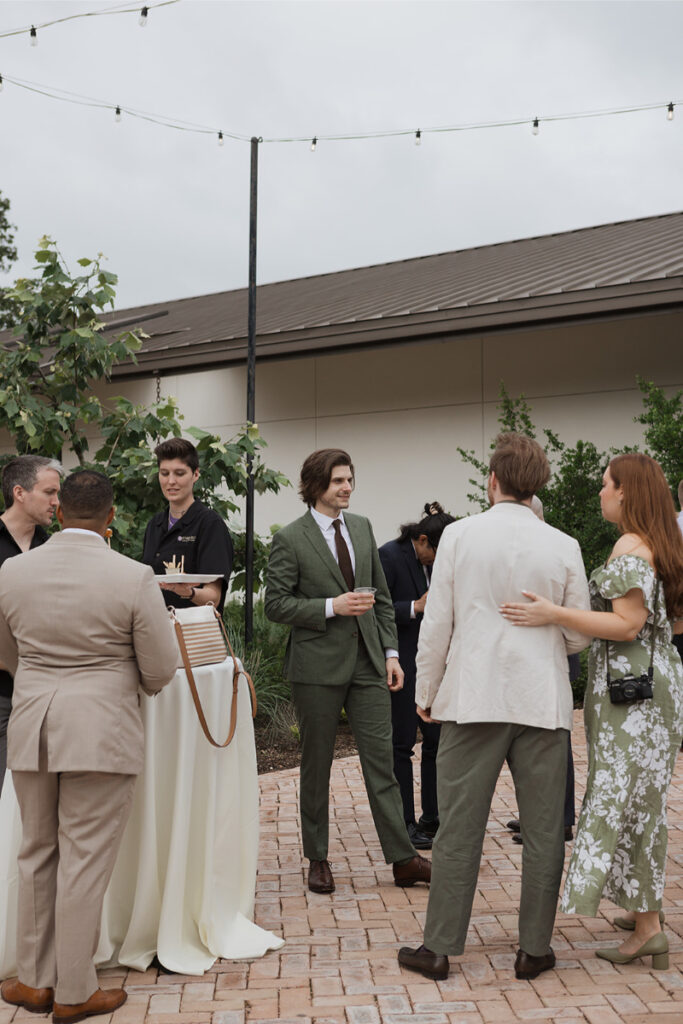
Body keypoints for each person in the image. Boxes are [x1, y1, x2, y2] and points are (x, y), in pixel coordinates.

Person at [398, 432, 590, 983]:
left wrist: (425, 693)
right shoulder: (565, 544)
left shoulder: (458, 536)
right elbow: (578, 636)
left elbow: (438, 625)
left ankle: (438, 949)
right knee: (545, 828)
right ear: (536, 487)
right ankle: (534, 949)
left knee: (459, 826)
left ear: (493, 480)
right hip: (541, 700)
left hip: (473, 697)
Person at [0, 471, 178, 1022]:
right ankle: (74, 991)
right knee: (82, 861)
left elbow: (7, 653)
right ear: (111, 515)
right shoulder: (132, 575)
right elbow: (160, 667)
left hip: (32, 726)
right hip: (101, 732)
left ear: (59, 511)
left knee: (36, 853)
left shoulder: (12, 569)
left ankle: (33, 982)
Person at [501, 453, 683, 971]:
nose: (600, 493)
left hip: (634, 696)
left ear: (625, 491)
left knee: (622, 801)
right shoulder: (664, 543)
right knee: (639, 799)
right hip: (655, 687)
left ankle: (647, 929)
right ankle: (643, 910)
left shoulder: (630, 545)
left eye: (605, 485)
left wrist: (551, 612)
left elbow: (625, 624)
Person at [264, 448, 431, 894]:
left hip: (369, 665)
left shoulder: (361, 527)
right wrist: (330, 606)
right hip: (315, 669)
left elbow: (377, 598)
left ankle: (402, 858)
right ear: (316, 484)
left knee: (383, 765)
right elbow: (275, 605)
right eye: (339, 480)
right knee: (316, 765)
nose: (347, 487)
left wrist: (391, 654)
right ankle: (317, 857)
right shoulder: (291, 539)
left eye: (350, 480)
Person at [378, 502, 455, 850]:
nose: (437, 561)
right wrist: (414, 607)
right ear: (422, 540)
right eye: (434, 553)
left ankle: (433, 818)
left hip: (438, 665)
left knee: (437, 744)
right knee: (402, 745)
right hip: (402, 665)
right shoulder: (388, 556)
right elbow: (376, 610)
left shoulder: (443, 558)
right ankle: (404, 822)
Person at [506, 495, 578, 846]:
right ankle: (535, 815)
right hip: (527, 662)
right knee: (529, 746)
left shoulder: (556, 548)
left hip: (554, 657)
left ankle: (561, 820)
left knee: (555, 745)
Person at [0, 455, 62, 796]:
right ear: (19, 492)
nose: (57, 501)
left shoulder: (53, 548)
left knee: (39, 800)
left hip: (49, 694)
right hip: (2, 694)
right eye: (50, 492)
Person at [142, 437, 234, 613]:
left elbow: (213, 598)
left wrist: (188, 592)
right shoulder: (154, 524)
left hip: (193, 634)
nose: (171, 481)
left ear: (196, 474)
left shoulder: (210, 524)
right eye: (164, 473)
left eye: (179, 473)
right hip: (156, 631)